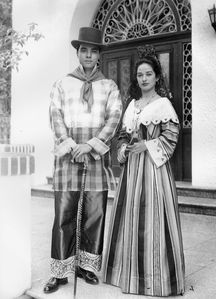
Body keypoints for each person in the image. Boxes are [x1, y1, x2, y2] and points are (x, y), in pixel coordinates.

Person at [43, 27, 122, 294]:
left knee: (94, 212)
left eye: (94, 50)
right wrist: (71, 145)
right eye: (84, 50)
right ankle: (60, 272)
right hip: (68, 157)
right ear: (78, 53)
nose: (88, 55)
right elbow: (55, 116)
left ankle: (86, 266)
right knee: (64, 213)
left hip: (95, 157)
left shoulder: (109, 86)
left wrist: (90, 145)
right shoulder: (62, 84)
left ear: (99, 54)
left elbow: (114, 118)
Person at [103, 55, 185, 297]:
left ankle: (155, 280)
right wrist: (124, 147)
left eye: (148, 74)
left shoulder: (163, 105)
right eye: (140, 75)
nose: (144, 78)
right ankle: (129, 275)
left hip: (153, 172)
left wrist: (147, 146)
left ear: (157, 77)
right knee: (130, 219)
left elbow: (171, 138)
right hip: (132, 171)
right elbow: (123, 135)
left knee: (152, 220)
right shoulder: (133, 105)